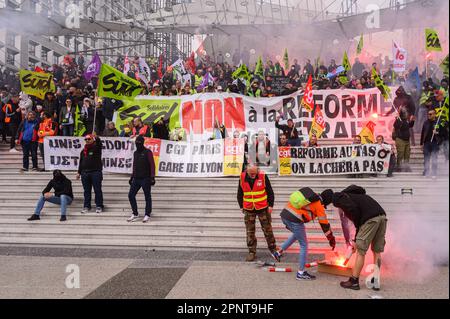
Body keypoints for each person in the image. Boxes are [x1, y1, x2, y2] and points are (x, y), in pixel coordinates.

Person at [328, 185, 387, 291]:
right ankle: (376, 280)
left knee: (361, 251)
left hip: (370, 220)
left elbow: (356, 215)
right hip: (382, 217)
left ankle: (354, 282)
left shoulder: (340, 197)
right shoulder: (361, 197)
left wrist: (356, 240)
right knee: (377, 251)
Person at [271, 188, 336, 280]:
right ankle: (301, 273)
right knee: (304, 244)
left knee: (297, 235)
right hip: (295, 219)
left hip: (285, 215)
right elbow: (324, 225)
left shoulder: (311, 197)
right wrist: (331, 239)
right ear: (327, 201)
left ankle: (278, 253)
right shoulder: (319, 205)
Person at [237, 164, 277, 262]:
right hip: (249, 209)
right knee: (250, 232)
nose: (253, 175)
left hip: (262, 208)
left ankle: (273, 250)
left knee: (268, 230)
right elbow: (240, 193)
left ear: (258, 170)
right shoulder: (242, 177)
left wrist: (271, 205)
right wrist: (241, 206)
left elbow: (270, 192)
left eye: (255, 173)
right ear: (247, 171)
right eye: (251, 173)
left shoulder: (263, 176)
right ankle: (252, 252)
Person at [127, 136, 156, 223]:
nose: (137, 144)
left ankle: (147, 214)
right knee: (131, 195)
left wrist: (152, 177)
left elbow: (152, 165)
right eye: (136, 143)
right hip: (136, 178)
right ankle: (135, 213)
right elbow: (134, 165)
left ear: (142, 143)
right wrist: (132, 177)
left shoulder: (148, 152)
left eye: (139, 143)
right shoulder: (135, 153)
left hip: (145, 178)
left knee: (147, 196)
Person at [77, 134, 104, 214]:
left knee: (97, 190)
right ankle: (86, 206)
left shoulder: (96, 148)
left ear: (92, 139)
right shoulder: (83, 151)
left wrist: (97, 137)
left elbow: (99, 143)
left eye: (89, 139)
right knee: (86, 191)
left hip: (95, 172)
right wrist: (79, 172)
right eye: (86, 139)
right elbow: (81, 162)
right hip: (85, 173)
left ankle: (99, 206)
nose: (87, 140)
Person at [420, 109, 442, 178]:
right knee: (426, 158)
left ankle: (434, 173)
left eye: (430, 114)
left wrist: (437, 133)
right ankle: (426, 172)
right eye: (428, 114)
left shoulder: (438, 123)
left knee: (434, 158)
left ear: (434, 115)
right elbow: (423, 133)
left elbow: (443, 133)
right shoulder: (425, 123)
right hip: (426, 143)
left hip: (435, 143)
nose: (428, 115)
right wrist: (421, 143)